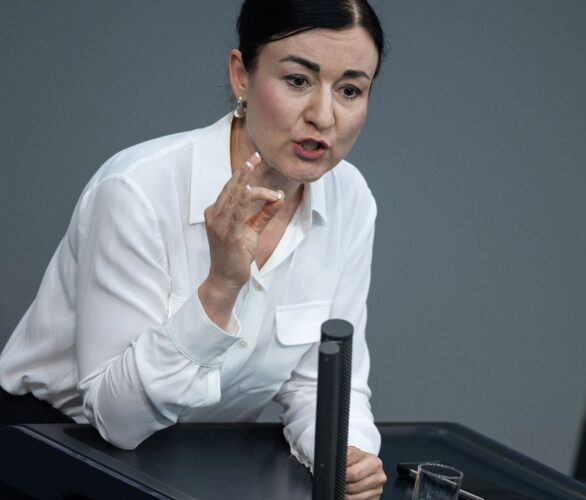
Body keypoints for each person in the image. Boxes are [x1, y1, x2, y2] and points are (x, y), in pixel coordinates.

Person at [0, 0, 387, 497]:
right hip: (46, 453)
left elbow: (321, 382)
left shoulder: (350, 199)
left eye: (350, 90)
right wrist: (221, 287)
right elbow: (116, 420)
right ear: (241, 76)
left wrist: (347, 456)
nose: (323, 115)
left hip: (193, 462)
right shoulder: (137, 190)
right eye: (297, 81)